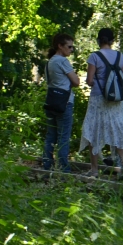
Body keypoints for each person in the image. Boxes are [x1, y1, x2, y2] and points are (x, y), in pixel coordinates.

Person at [79, 28, 123, 177]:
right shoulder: (120, 56)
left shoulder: (94, 57)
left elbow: (89, 80)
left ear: (98, 40)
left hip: (98, 98)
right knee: (117, 128)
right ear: (112, 41)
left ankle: (95, 169)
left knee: (93, 130)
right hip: (116, 100)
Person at [42, 33, 80, 172]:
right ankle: (63, 168)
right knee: (64, 136)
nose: (71, 49)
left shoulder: (50, 62)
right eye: (69, 47)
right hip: (64, 103)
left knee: (51, 135)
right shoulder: (62, 61)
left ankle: (47, 164)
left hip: (51, 101)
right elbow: (76, 81)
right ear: (60, 46)